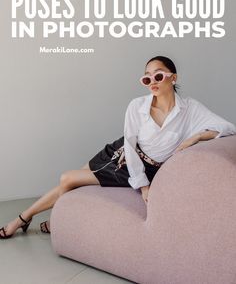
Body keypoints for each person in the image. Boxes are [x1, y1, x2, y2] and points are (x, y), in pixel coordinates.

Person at [1, 55, 236, 239]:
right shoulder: (137, 106)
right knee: (69, 181)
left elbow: (228, 128)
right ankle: (28, 218)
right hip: (123, 154)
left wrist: (197, 137)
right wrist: (143, 186)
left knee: (68, 179)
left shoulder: (190, 110)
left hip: (151, 167)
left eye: (158, 76)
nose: (152, 82)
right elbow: (130, 146)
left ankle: (40, 220)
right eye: (147, 78)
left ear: (173, 78)